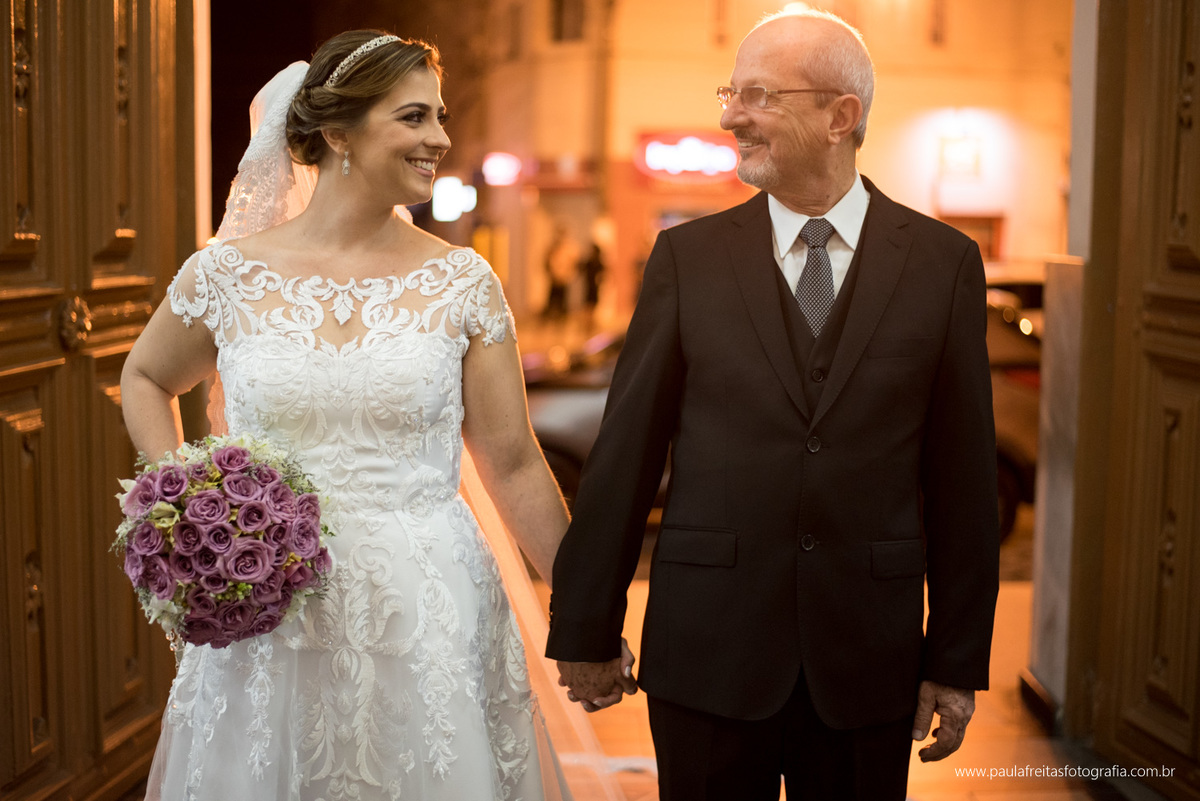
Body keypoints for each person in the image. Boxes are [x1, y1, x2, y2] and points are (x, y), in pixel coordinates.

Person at [121, 30, 626, 800]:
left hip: (429, 610)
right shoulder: (226, 275)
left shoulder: (463, 281)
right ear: (336, 132)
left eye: (441, 117)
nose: (441, 139)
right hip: (272, 612)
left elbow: (515, 461)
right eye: (415, 117)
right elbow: (146, 374)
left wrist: (583, 617)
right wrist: (187, 502)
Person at [546, 9, 1000, 800]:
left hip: (868, 661)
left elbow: (963, 479)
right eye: (730, 92)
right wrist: (585, 627)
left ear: (840, 117)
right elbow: (625, 456)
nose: (730, 115)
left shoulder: (943, 264)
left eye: (757, 94)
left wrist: (955, 662)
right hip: (708, 652)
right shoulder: (688, 258)